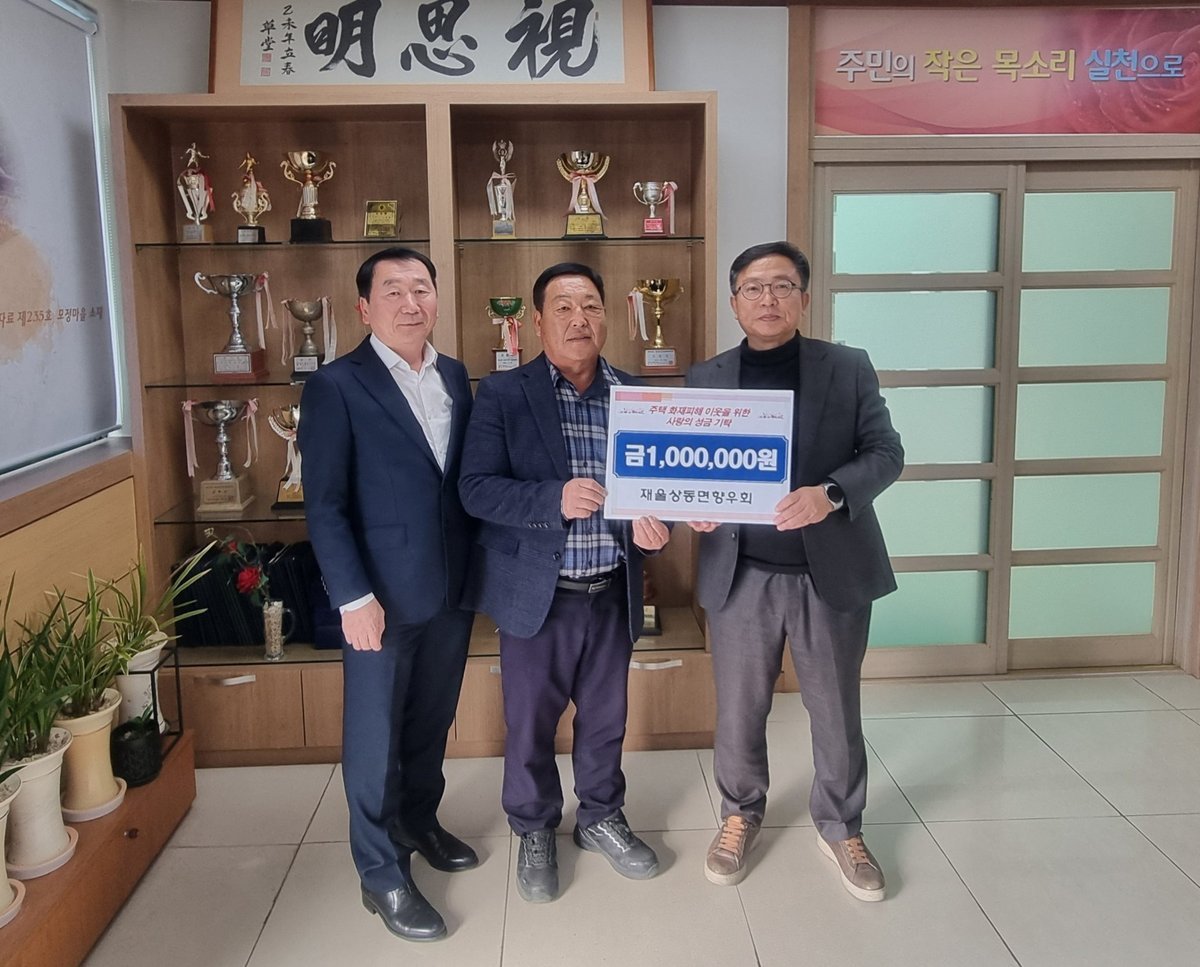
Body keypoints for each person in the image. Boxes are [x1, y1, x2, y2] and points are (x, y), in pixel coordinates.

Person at [686, 241, 903, 900]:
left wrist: (830, 493)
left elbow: (885, 452)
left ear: (804, 298)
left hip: (828, 571)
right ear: (735, 303)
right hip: (740, 573)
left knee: (835, 709)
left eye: (782, 286)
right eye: (753, 288)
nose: (768, 299)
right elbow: (692, 463)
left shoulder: (847, 367)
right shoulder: (707, 377)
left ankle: (841, 824)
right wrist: (694, 503)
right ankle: (739, 813)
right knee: (739, 710)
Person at [459, 262, 670, 904]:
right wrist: (553, 498)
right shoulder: (503, 393)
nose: (580, 319)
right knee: (529, 724)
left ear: (607, 316)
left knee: (606, 720)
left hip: (612, 590)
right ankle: (534, 827)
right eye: (564, 307)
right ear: (536, 321)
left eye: (591, 306)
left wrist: (656, 526)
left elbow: (658, 487)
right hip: (538, 596)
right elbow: (475, 489)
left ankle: (601, 816)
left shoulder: (636, 395)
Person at [297, 247, 477, 942]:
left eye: (421, 288)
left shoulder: (454, 375)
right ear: (364, 308)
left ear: (436, 298)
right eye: (393, 290)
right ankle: (380, 872)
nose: (411, 302)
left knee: (430, 721)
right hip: (378, 600)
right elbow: (324, 505)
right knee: (375, 738)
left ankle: (418, 821)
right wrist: (352, 597)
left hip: (450, 589)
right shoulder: (336, 386)